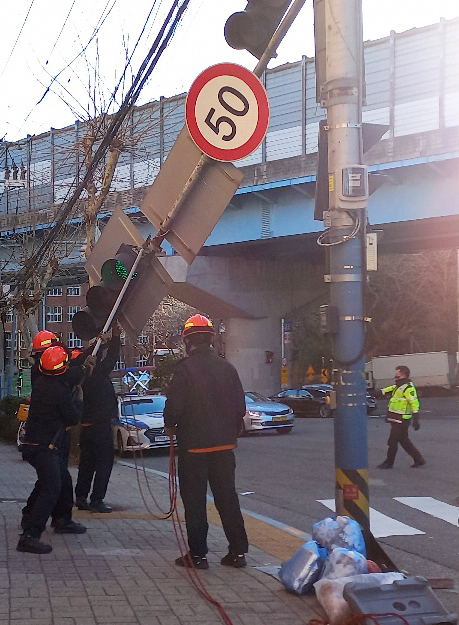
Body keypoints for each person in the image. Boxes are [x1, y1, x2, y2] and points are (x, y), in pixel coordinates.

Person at [164, 314, 248, 570]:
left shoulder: (184, 369)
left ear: (188, 340)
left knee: (195, 502)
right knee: (227, 499)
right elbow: (240, 407)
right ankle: (238, 553)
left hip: (194, 447)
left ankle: (198, 555)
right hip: (224, 447)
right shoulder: (228, 368)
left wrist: (170, 425)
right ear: (211, 338)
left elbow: (174, 407)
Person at [18, 346, 86, 554]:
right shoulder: (59, 390)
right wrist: (79, 400)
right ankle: (30, 534)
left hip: (36, 445)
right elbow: (73, 417)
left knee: (56, 482)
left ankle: (53, 519)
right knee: (51, 488)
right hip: (45, 447)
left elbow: (69, 373)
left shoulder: (41, 383)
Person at [74, 325, 121, 513]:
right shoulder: (97, 376)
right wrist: (114, 338)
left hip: (86, 427)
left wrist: (99, 345)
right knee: (103, 464)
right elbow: (112, 359)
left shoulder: (80, 376)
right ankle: (96, 499)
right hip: (100, 427)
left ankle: (81, 496)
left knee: (87, 463)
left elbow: (80, 361)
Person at [377, 365, 426, 469]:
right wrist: (376, 393)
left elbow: (414, 402)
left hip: (402, 419)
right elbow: (387, 389)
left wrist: (416, 418)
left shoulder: (408, 387)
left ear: (402, 373)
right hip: (396, 418)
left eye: (397, 372)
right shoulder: (398, 385)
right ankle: (419, 459)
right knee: (404, 440)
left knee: (393, 441)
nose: (395, 374)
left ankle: (389, 463)